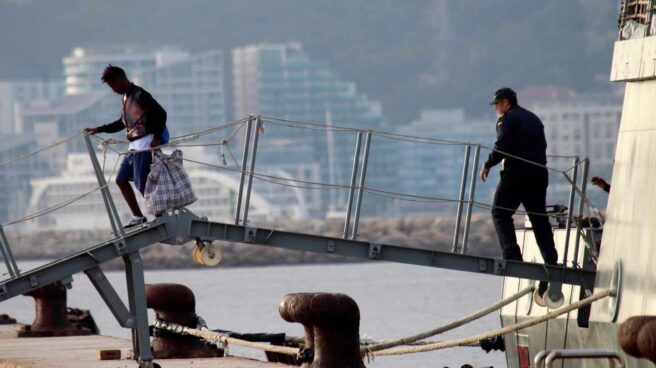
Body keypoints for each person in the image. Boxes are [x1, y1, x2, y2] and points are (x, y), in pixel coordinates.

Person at [479, 87, 558, 276]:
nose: (495, 108)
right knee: (538, 217)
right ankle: (551, 259)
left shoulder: (507, 119)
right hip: (539, 172)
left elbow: (503, 145)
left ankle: (512, 257)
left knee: (499, 212)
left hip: (517, 173)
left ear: (506, 102)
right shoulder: (533, 118)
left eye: (497, 104)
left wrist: (488, 164)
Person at [84, 65, 168, 228]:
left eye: (113, 85)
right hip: (134, 145)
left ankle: (160, 214)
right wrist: (99, 129)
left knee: (142, 183)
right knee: (121, 179)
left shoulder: (140, 95)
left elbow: (161, 113)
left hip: (145, 143)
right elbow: (121, 123)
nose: (112, 89)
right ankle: (138, 216)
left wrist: (157, 137)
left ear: (121, 79)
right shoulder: (124, 98)